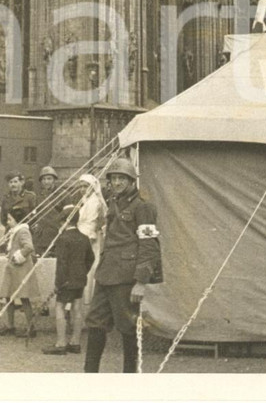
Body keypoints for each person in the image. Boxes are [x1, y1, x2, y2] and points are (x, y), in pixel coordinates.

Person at [84, 155, 162, 373]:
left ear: (131, 182)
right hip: (106, 274)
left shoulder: (143, 208)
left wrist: (141, 282)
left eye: (122, 179)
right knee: (95, 323)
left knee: (128, 328)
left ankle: (129, 379)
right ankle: (88, 376)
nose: (117, 183)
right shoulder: (112, 203)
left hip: (126, 278)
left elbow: (149, 245)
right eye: (114, 178)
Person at [43, 205, 95, 355]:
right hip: (80, 279)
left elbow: (62, 263)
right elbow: (90, 259)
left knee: (59, 307)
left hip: (66, 280)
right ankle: (75, 342)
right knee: (77, 308)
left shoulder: (63, 239)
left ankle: (60, 343)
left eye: (61, 222)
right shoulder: (84, 238)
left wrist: (58, 283)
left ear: (65, 221)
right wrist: (82, 272)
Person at [0, 205, 39, 337]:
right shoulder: (15, 231)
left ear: (18, 220)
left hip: (20, 268)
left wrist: (18, 256)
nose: (7, 222)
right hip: (13, 269)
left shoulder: (22, 231)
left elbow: (29, 247)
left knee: (24, 297)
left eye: (10, 219)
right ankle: (11, 325)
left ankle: (31, 327)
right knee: (8, 296)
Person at [76, 173, 107, 305]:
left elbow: (92, 223)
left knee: (89, 270)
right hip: (82, 237)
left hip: (89, 240)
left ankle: (87, 303)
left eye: (86, 186)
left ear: (92, 187)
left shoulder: (94, 202)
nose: (83, 189)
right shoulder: (86, 200)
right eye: (81, 186)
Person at [31, 165, 63, 256]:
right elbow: (36, 212)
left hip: (56, 232)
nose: (46, 182)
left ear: (54, 180)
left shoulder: (63, 194)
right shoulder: (39, 196)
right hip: (41, 233)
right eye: (43, 179)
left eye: (49, 179)